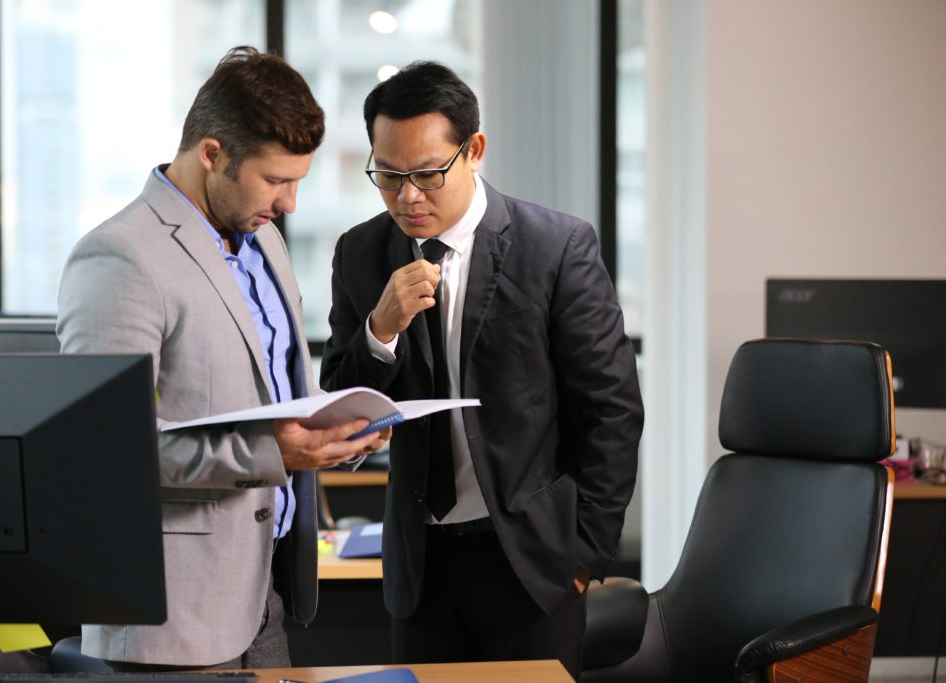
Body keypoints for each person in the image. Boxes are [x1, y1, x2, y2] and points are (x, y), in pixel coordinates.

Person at [57, 46, 388, 669]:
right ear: (211, 154)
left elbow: (267, 390)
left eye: (298, 181)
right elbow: (102, 450)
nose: (290, 202)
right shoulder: (120, 258)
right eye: (276, 180)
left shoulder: (263, 238)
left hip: (267, 595)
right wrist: (276, 453)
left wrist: (334, 427)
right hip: (173, 621)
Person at [320, 61, 644, 677]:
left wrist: (583, 558)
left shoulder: (555, 247)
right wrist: (380, 328)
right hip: (420, 565)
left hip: (533, 565)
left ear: (473, 150)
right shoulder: (360, 253)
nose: (406, 196)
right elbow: (340, 404)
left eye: (425, 174)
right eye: (387, 176)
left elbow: (612, 410)